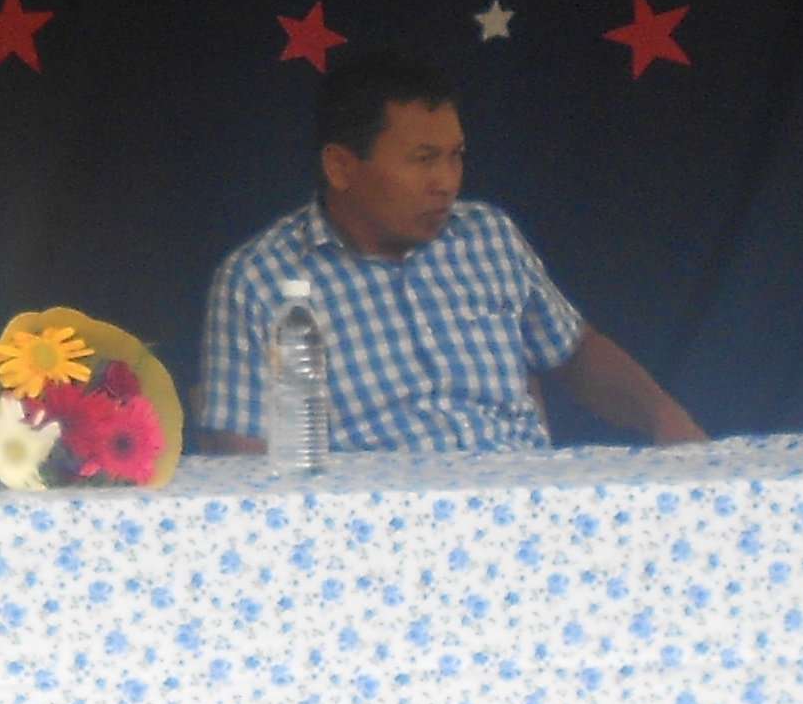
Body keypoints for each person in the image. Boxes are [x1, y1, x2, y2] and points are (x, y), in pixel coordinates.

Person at [199, 45, 702, 456]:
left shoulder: (488, 237)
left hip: (527, 502)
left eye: (455, 156)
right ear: (341, 168)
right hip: (377, 527)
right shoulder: (262, 280)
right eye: (422, 160)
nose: (446, 182)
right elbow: (246, 454)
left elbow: (572, 351)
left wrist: (664, 416)